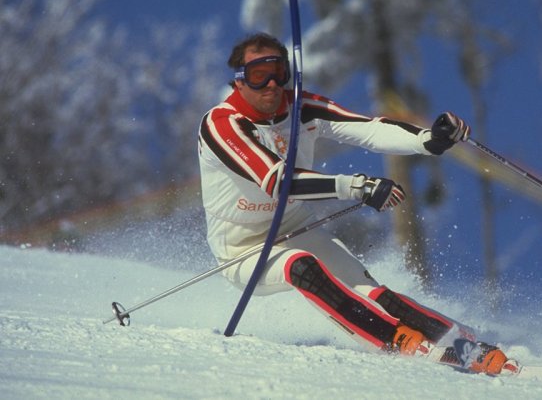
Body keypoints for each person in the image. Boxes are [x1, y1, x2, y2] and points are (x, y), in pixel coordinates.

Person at [198, 32, 515, 375]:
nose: (272, 84)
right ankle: (394, 340)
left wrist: (428, 140)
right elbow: (277, 180)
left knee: (370, 289)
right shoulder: (222, 123)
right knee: (301, 266)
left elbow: (368, 129)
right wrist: (356, 186)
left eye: (279, 71)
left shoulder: (302, 107)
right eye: (260, 75)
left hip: (293, 226)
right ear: (239, 80)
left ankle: (462, 341)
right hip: (242, 247)